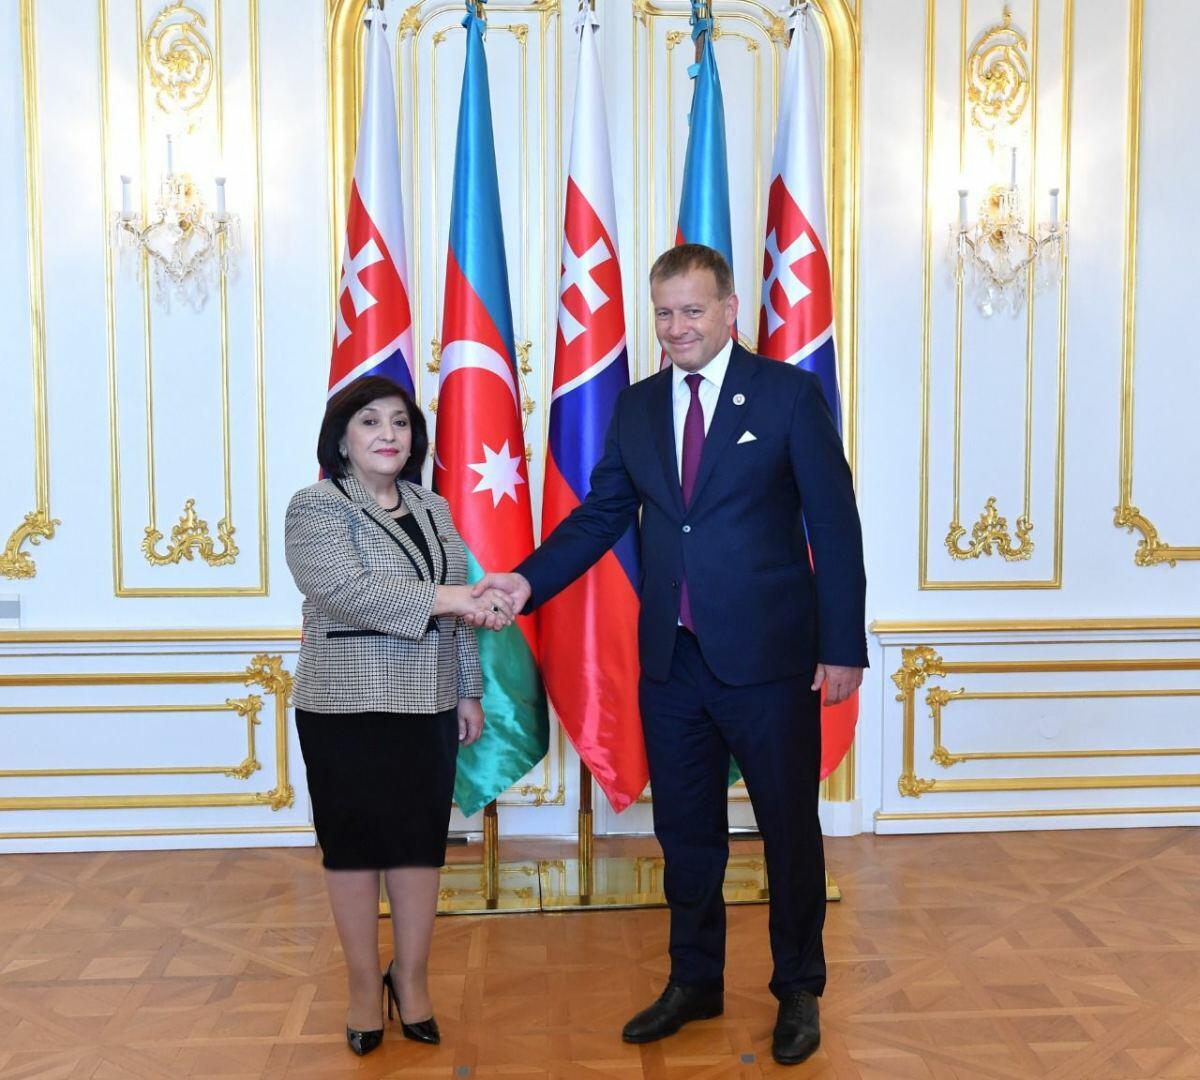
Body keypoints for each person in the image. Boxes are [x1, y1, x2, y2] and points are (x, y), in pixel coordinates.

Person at [475, 244, 867, 1066]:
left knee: (789, 832)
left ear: (730, 310)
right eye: (664, 312)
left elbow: (835, 527)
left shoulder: (788, 395)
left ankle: (799, 988)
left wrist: (842, 647)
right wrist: (525, 581)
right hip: (673, 663)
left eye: (692, 309)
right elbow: (601, 515)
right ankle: (695, 980)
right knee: (687, 836)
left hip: (770, 662)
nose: (677, 326)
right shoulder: (640, 405)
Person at [284, 375, 515, 1056]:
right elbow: (346, 590)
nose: (388, 434)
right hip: (346, 706)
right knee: (354, 847)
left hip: (430, 702)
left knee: (420, 845)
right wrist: (454, 599)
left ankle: (410, 981)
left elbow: (459, 606)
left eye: (400, 422)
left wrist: (468, 689)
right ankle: (363, 988)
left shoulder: (432, 506)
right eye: (370, 422)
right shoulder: (317, 505)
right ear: (341, 440)